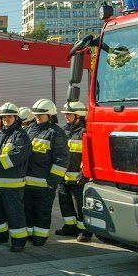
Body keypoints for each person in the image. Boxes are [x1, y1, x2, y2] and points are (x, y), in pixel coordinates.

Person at [0, 103, 32, 251]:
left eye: (9, 117)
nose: (6, 119)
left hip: (12, 184)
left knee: (14, 213)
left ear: (16, 118)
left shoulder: (21, 135)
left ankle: (19, 241)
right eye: (3, 117)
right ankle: (0, 234)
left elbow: (18, 155)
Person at [24, 99, 69, 246]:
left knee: (42, 211)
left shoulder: (56, 133)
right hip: (27, 180)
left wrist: (52, 181)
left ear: (50, 115)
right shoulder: (30, 129)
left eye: (41, 115)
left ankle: (40, 236)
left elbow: (61, 160)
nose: (37, 117)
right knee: (28, 209)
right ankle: (29, 233)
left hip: (45, 182)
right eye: (36, 114)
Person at [58, 101, 92, 242]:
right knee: (64, 203)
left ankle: (85, 231)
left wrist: (84, 173)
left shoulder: (85, 132)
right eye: (65, 114)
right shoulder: (63, 131)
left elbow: (89, 155)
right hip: (63, 176)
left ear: (78, 116)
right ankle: (70, 227)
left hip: (78, 178)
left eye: (69, 114)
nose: (66, 116)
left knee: (81, 205)